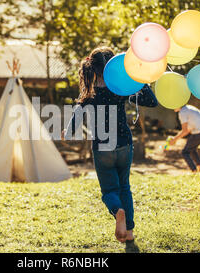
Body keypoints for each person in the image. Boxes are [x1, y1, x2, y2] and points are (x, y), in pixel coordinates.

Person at [62, 47, 158, 253]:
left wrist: (67, 131)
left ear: (92, 68)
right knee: (125, 186)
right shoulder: (121, 87)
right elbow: (152, 101)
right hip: (124, 143)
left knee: (109, 190)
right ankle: (129, 231)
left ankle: (118, 211)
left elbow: (74, 122)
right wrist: (140, 77)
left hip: (102, 148)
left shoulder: (89, 93)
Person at [169, 104, 200, 172]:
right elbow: (188, 129)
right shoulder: (188, 108)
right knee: (192, 148)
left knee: (185, 152)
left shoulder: (182, 112)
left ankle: (194, 171)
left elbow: (185, 131)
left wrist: (174, 139)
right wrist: (175, 138)